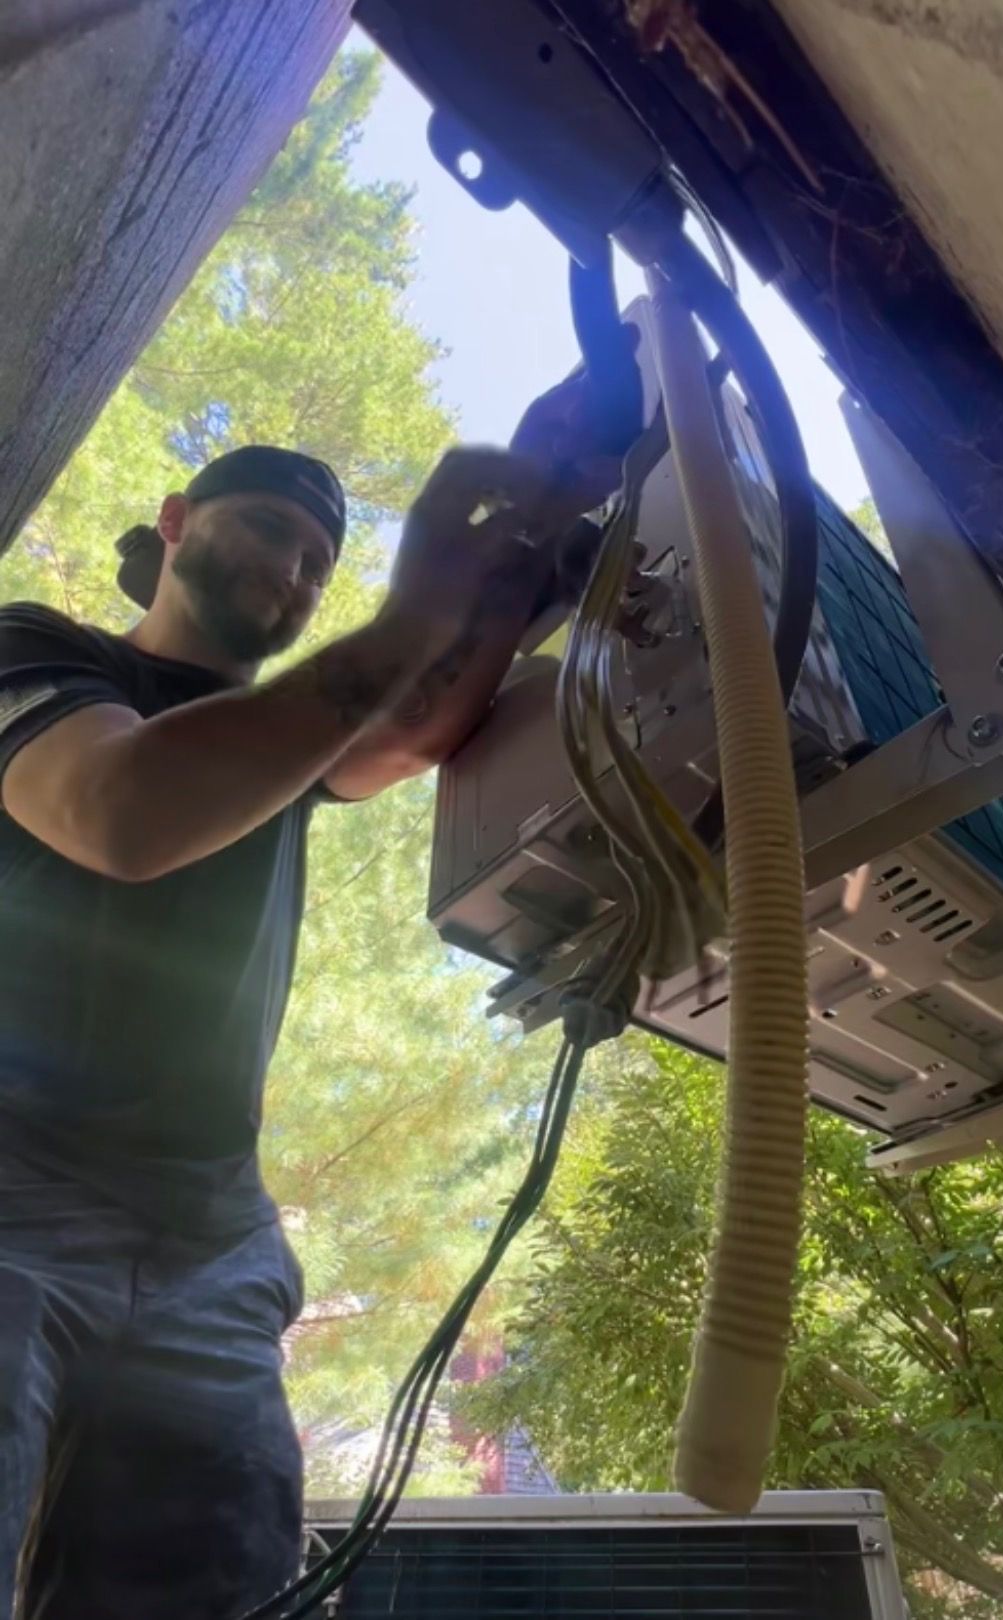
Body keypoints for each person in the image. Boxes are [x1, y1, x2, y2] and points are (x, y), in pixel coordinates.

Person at [0, 377, 619, 1618]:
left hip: (208, 1232)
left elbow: (406, 732)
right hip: (14, 1186)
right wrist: (419, 604)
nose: (295, 565)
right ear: (175, 519)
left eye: (321, 558)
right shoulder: (38, 650)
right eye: (272, 527)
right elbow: (123, 814)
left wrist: (512, 578)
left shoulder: (283, 744)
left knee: (214, 1582)